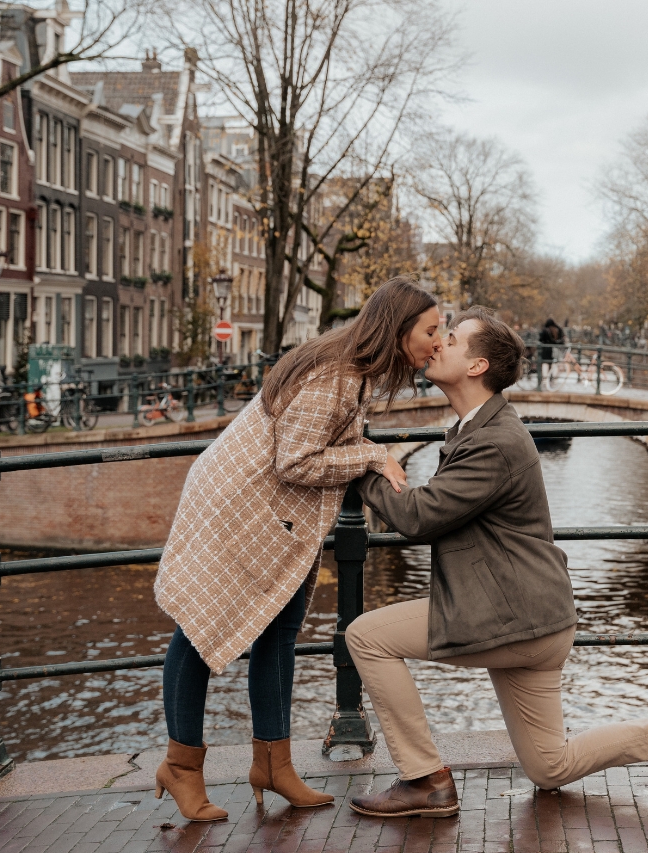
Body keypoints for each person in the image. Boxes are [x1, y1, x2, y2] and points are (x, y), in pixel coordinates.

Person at [345, 306, 648, 818]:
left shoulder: (493, 441)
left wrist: (360, 462)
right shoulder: (478, 428)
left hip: (513, 616)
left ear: (477, 366)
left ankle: (424, 780)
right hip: (535, 616)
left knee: (366, 637)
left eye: (452, 338)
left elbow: (418, 517)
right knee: (550, 766)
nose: (438, 344)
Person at [152, 276, 442, 821]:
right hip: (240, 506)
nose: (438, 342)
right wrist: (373, 458)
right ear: (399, 329)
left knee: (280, 631)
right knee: (199, 625)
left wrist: (362, 452)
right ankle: (181, 767)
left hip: (275, 514)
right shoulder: (335, 374)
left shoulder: (353, 373)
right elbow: (295, 460)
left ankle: (272, 763)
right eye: (431, 330)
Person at [538, 318, 564, 388]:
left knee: (545, 364)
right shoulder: (557, 329)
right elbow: (561, 339)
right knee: (554, 365)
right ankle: (554, 380)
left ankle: (545, 380)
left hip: (546, 350)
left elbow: (540, 339)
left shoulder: (545, 330)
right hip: (555, 350)